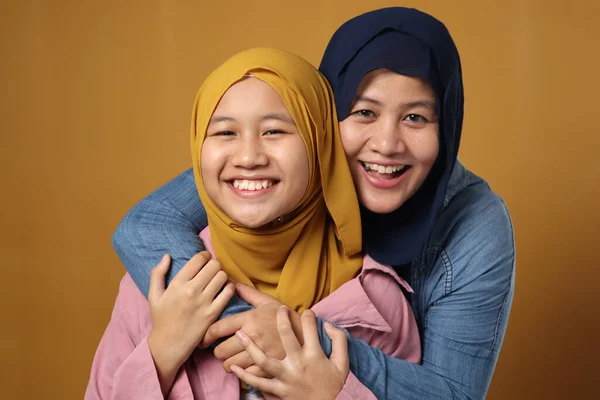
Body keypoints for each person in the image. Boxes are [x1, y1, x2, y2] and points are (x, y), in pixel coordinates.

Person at [112, 7, 515, 399]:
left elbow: (454, 394)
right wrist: (179, 339)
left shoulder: (455, 239)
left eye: (416, 118)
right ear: (321, 120)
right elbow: (147, 223)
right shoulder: (269, 169)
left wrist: (305, 342)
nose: (388, 144)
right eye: (363, 112)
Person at [86, 47, 420, 399]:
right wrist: (161, 353)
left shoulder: (376, 296)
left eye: (274, 131)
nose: (248, 157)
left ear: (320, 144)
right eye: (225, 133)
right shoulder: (161, 285)